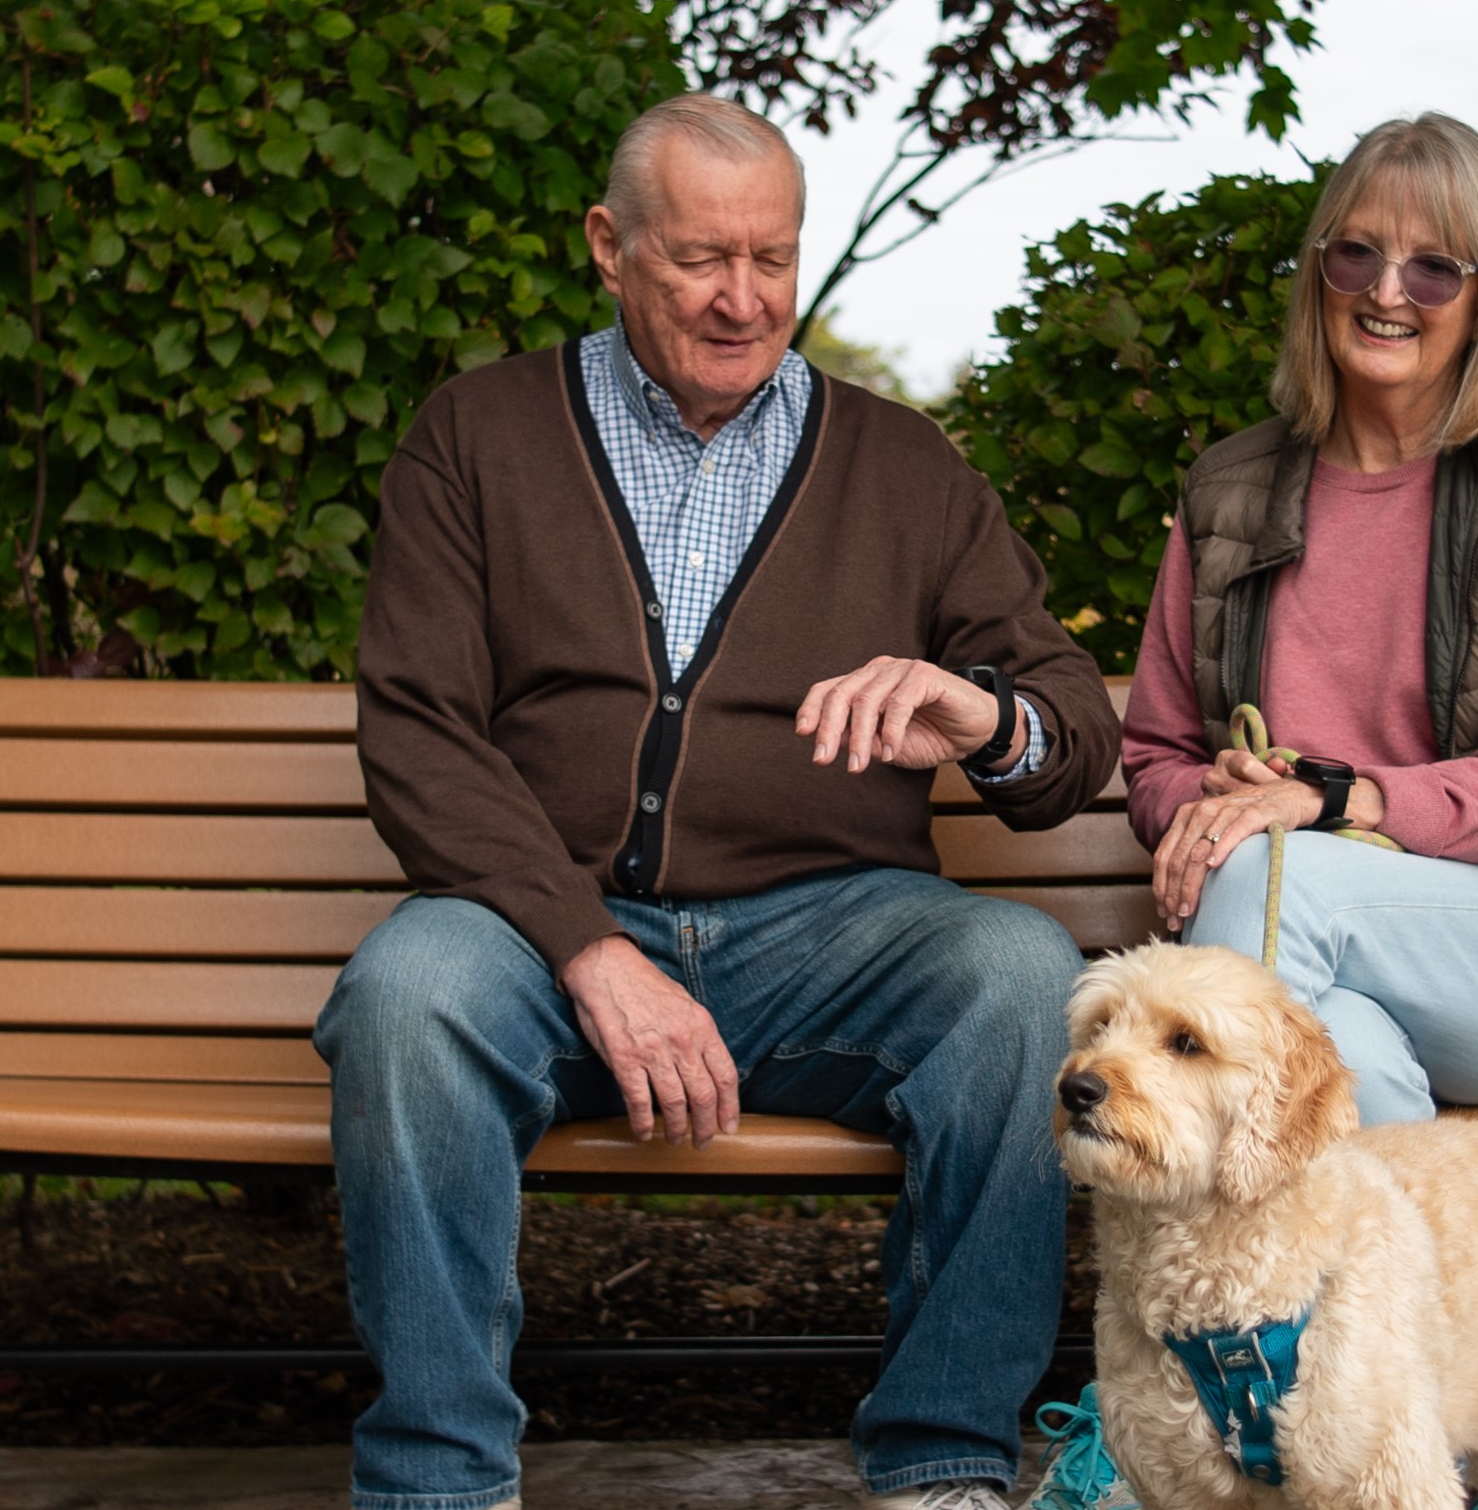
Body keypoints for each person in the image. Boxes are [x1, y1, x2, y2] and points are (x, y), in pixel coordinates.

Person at [319, 92, 1120, 1510]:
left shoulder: (904, 468)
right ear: (608, 246)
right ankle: (439, 1480)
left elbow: (1069, 740)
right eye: (701, 258)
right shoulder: (480, 434)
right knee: (405, 987)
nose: (745, 298)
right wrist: (591, 947)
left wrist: (980, 712)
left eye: (775, 257)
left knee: (1018, 977)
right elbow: (420, 731)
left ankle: (943, 1460)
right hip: (544, 935)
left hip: (833, 929)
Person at [1120, 111, 1478, 1129]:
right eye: (1356, 255)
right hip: (1305, 941)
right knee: (1342, 1079)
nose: (1385, 292)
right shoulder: (1228, 489)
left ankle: (1199, 1284)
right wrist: (1214, 802)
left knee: (1271, 884)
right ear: (1317, 273)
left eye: (1432, 268)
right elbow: (1155, 751)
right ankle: (1374, 1294)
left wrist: (1321, 800)